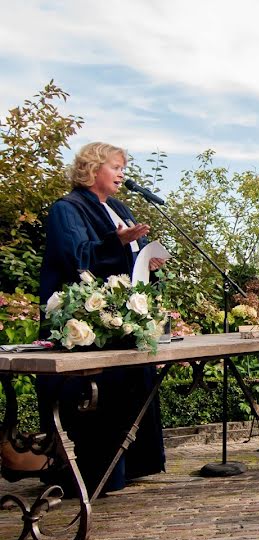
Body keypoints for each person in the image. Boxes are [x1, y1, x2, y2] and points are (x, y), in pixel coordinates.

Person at [1, 142, 167, 495]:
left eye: (124, 167)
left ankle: (129, 466)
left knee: (135, 382)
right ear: (93, 170)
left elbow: (131, 261)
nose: (122, 173)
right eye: (116, 167)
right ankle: (88, 474)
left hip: (122, 318)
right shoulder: (67, 209)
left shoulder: (121, 209)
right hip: (83, 319)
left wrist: (148, 264)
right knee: (95, 395)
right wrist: (116, 243)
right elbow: (75, 255)